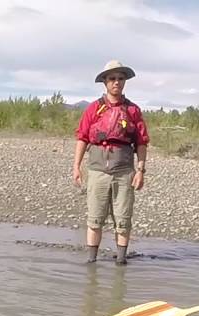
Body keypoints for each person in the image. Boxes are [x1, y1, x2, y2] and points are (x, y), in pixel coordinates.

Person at [73, 60, 150, 265]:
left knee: (123, 219)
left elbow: (141, 143)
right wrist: (76, 166)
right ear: (105, 82)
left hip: (124, 171)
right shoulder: (93, 109)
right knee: (95, 219)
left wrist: (141, 170)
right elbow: (83, 138)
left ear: (125, 82)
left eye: (120, 78)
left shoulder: (133, 111)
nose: (117, 82)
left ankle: (121, 262)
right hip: (97, 171)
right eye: (112, 78)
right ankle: (92, 262)